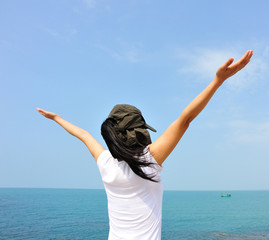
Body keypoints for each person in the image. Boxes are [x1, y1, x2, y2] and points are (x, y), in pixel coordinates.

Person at [37, 50, 253, 240]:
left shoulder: (105, 163)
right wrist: (218, 80)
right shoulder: (149, 161)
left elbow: (83, 134)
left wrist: (57, 118)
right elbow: (185, 119)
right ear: (140, 131)